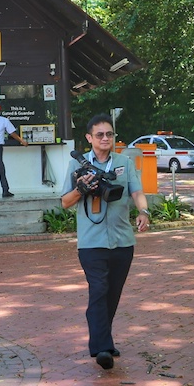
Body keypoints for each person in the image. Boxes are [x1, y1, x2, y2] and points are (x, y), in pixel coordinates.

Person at [62, 114, 150, 370]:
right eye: (99, 134)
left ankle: (104, 340)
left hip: (123, 240)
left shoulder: (124, 162)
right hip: (91, 242)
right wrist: (82, 189)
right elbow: (64, 202)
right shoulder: (77, 166)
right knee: (98, 290)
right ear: (89, 138)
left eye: (109, 134)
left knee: (112, 293)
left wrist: (143, 212)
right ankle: (101, 348)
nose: (105, 139)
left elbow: (137, 191)